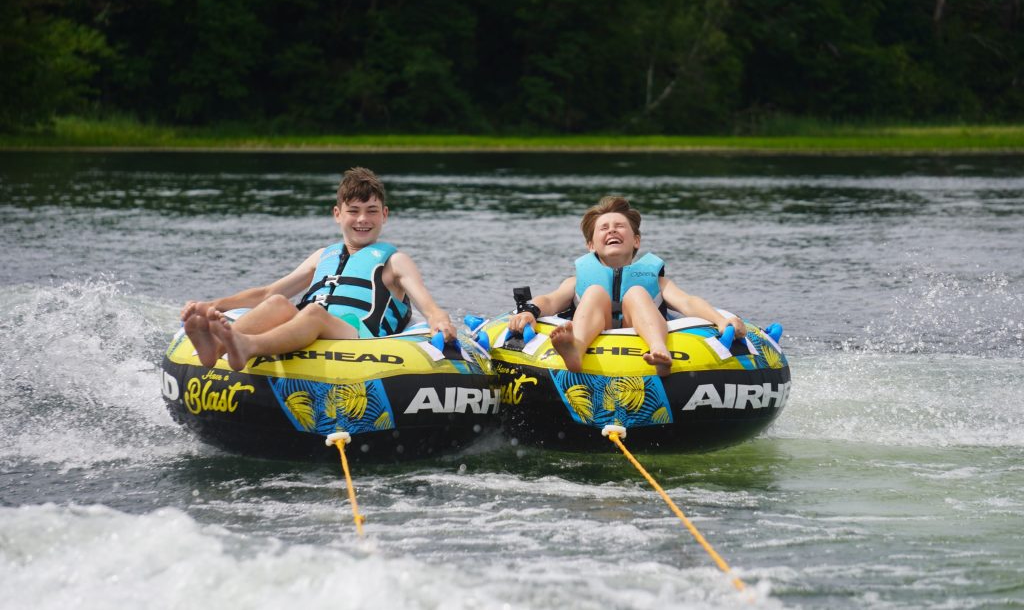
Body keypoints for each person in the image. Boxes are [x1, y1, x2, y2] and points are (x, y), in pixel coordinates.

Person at [180, 167, 456, 371]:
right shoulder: (324, 255)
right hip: (310, 325)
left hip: (359, 337)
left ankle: (247, 345)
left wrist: (439, 320)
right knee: (278, 303)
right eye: (353, 210)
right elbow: (268, 292)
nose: (362, 219)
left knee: (313, 312)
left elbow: (428, 306)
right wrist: (215, 304)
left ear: (385, 214)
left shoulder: (395, 261)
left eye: (372, 210)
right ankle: (215, 347)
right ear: (338, 215)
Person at [506, 196, 745, 376]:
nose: (612, 230)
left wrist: (720, 319)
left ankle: (659, 350)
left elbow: (688, 302)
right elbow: (549, 300)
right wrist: (529, 311)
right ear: (591, 245)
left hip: (640, 325)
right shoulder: (578, 282)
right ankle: (576, 349)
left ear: (636, 240)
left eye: (619, 226)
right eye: (604, 227)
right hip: (597, 325)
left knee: (637, 292)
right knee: (595, 292)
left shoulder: (657, 281)